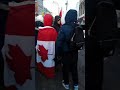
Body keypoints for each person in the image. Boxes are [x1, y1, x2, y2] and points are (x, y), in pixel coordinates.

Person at [56, 9, 79, 90]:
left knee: (65, 69)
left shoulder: (64, 28)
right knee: (74, 69)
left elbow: (59, 43)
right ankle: (76, 85)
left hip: (66, 53)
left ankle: (66, 84)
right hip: (75, 52)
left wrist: (58, 54)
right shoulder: (78, 26)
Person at [36, 14, 58, 78]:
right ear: (51, 21)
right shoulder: (53, 30)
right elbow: (56, 41)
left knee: (42, 59)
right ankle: (49, 73)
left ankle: (41, 70)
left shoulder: (40, 30)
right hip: (50, 51)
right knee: (48, 61)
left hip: (41, 51)